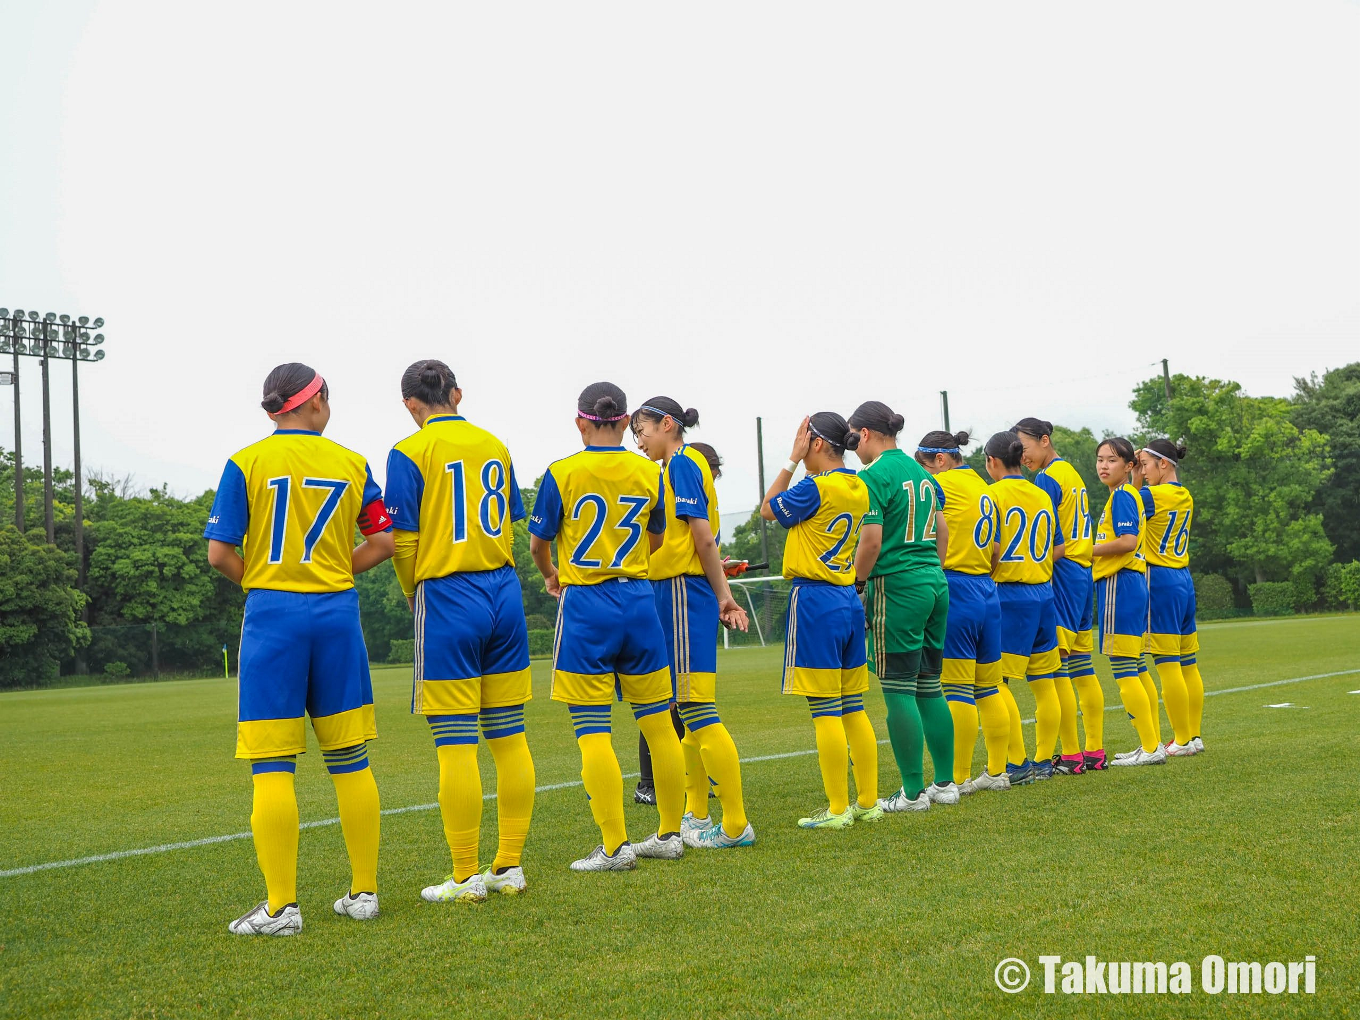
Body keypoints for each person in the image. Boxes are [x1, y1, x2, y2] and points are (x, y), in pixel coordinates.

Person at [204, 363, 393, 936]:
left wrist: (265, 581)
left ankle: (281, 908)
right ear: (317, 404)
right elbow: (382, 541)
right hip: (336, 615)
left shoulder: (246, 462)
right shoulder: (352, 463)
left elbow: (219, 553)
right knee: (351, 760)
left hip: (273, 619)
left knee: (272, 767)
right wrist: (333, 571)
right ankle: (364, 893)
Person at [384, 360, 537, 903]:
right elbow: (512, 521)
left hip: (448, 595)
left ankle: (466, 875)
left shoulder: (409, 450)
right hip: (504, 591)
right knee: (509, 735)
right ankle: (511, 866)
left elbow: (404, 540)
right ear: (457, 393)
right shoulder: (495, 444)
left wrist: (411, 591)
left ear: (410, 404)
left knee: (455, 743)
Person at [528, 382, 687, 871]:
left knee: (592, 729)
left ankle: (615, 846)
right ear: (624, 422)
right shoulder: (649, 471)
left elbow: (539, 543)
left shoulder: (562, 472)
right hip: (639, 600)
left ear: (581, 422)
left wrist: (553, 576)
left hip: (587, 602)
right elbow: (656, 535)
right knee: (659, 723)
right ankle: (669, 833)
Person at [632, 399, 753, 848]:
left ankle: (736, 824)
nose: (638, 439)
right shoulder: (672, 467)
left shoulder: (683, 463)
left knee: (697, 708)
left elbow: (702, 536)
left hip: (684, 591)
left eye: (641, 429)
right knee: (684, 710)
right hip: (673, 590)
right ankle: (697, 814)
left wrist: (724, 596)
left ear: (667, 424)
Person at [761, 413, 879, 829]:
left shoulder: (814, 486)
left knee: (826, 710)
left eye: (802, 440)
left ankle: (837, 810)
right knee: (854, 707)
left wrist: (791, 461)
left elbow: (767, 509)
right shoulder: (858, 486)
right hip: (848, 598)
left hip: (815, 599)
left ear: (814, 443)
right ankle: (867, 801)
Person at [848, 402, 956, 813]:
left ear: (865, 433)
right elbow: (942, 532)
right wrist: (930, 570)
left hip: (897, 585)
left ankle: (912, 793)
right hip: (933, 582)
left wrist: (858, 584)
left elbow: (871, 541)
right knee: (930, 685)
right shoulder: (924, 474)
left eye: (853, 437)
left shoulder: (873, 475)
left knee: (898, 688)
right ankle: (944, 783)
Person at [916, 431, 1011, 792]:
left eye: (925, 465)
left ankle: (958, 777)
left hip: (957, 587)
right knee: (988, 688)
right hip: (988, 588)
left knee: (957, 689)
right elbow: (997, 548)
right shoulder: (985, 487)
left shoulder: (943, 485)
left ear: (940, 460)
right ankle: (998, 772)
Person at [1012, 418, 1101, 774]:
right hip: (1083, 572)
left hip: (1063, 575)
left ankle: (1071, 754)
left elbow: (1046, 538)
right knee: (1081, 664)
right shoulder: (1073, 474)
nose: (1023, 456)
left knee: (1057, 667)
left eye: (1025, 448)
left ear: (1044, 441)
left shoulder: (1047, 479)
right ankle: (1093, 750)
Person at [984, 431, 1064, 784]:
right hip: (1044, 593)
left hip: (1009, 595)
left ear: (992, 461)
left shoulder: (992, 494)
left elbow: (992, 547)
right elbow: (1058, 546)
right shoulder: (1041, 493)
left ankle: (1016, 764)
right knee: (1044, 682)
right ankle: (1044, 761)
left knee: (994, 680)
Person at [1091, 437, 1167, 766]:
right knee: (1136, 665)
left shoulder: (1122, 497)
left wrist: (1084, 549)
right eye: (1100, 460)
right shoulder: (1128, 494)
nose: (1104, 466)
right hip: (1132, 583)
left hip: (1119, 583)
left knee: (1123, 667)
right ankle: (1153, 744)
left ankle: (1150, 747)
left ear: (1128, 466)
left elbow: (1127, 542)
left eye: (1112, 460)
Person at [1136, 438, 1204, 756]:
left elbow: (1126, 505)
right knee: (1188, 663)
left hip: (1160, 579)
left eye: (1145, 464)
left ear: (1164, 464)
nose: (1142, 471)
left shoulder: (1150, 495)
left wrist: (1132, 475)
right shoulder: (1184, 494)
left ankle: (1181, 740)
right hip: (1183, 579)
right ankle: (1193, 735)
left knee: (1166, 663)